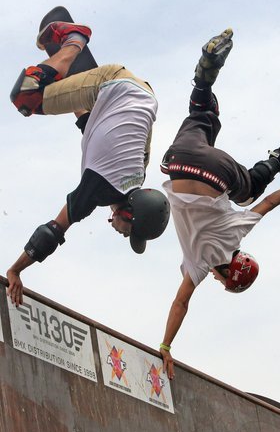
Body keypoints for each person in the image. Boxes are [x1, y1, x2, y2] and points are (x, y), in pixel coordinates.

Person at [159, 28, 280, 379]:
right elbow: (181, 303)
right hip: (180, 161)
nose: (215, 279)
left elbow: (268, 203)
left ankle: (207, 77)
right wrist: (166, 346)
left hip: (212, 164)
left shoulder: (235, 233)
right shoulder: (199, 265)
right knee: (243, 186)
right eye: (222, 281)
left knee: (206, 119)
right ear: (228, 274)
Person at [7, 20, 169, 306]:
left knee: (71, 98)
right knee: (27, 96)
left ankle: (65, 62)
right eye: (128, 232)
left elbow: (89, 124)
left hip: (140, 95)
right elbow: (52, 232)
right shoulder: (99, 190)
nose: (121, 234)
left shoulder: (136, 175)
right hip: (112, 85)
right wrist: (16, 270)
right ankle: (75, 38)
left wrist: (62, 84)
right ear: (129, 214)